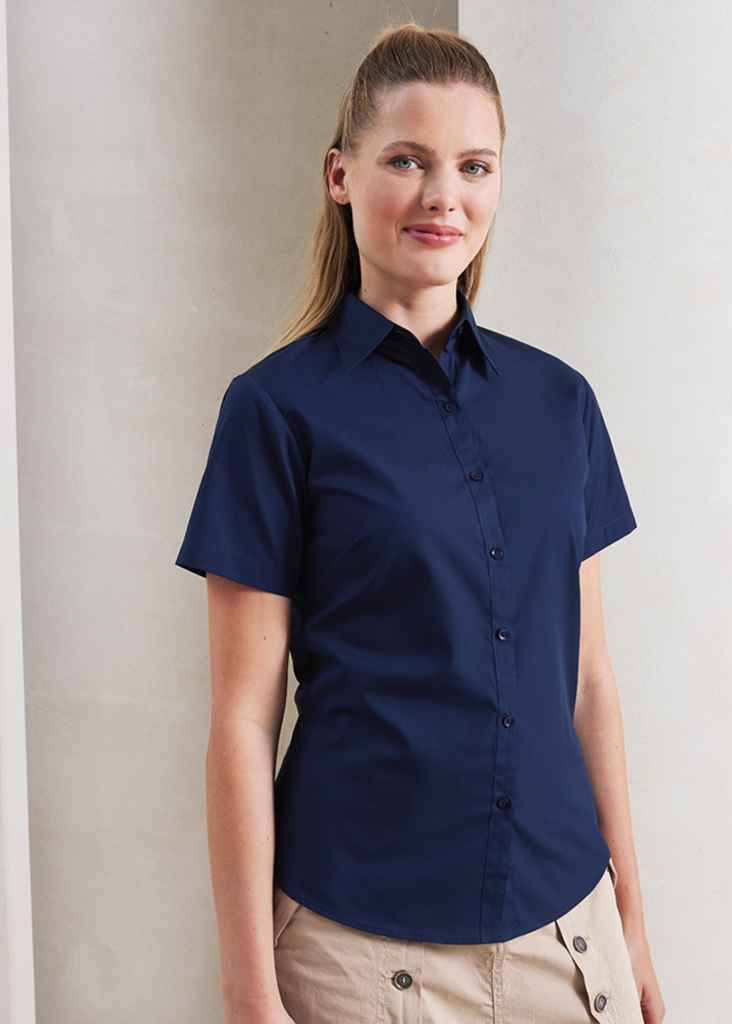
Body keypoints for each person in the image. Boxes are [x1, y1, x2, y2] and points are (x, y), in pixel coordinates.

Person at [174, 21, 665, 1024]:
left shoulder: (560, 403)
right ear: (340, 175)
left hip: (566, 937)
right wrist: (249, 992)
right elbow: (242, 723)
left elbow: (588, 683)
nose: (444, 195)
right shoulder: (275, 411)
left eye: (473, 165)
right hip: (359, 959)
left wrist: (633, 923)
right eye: (407, 160)